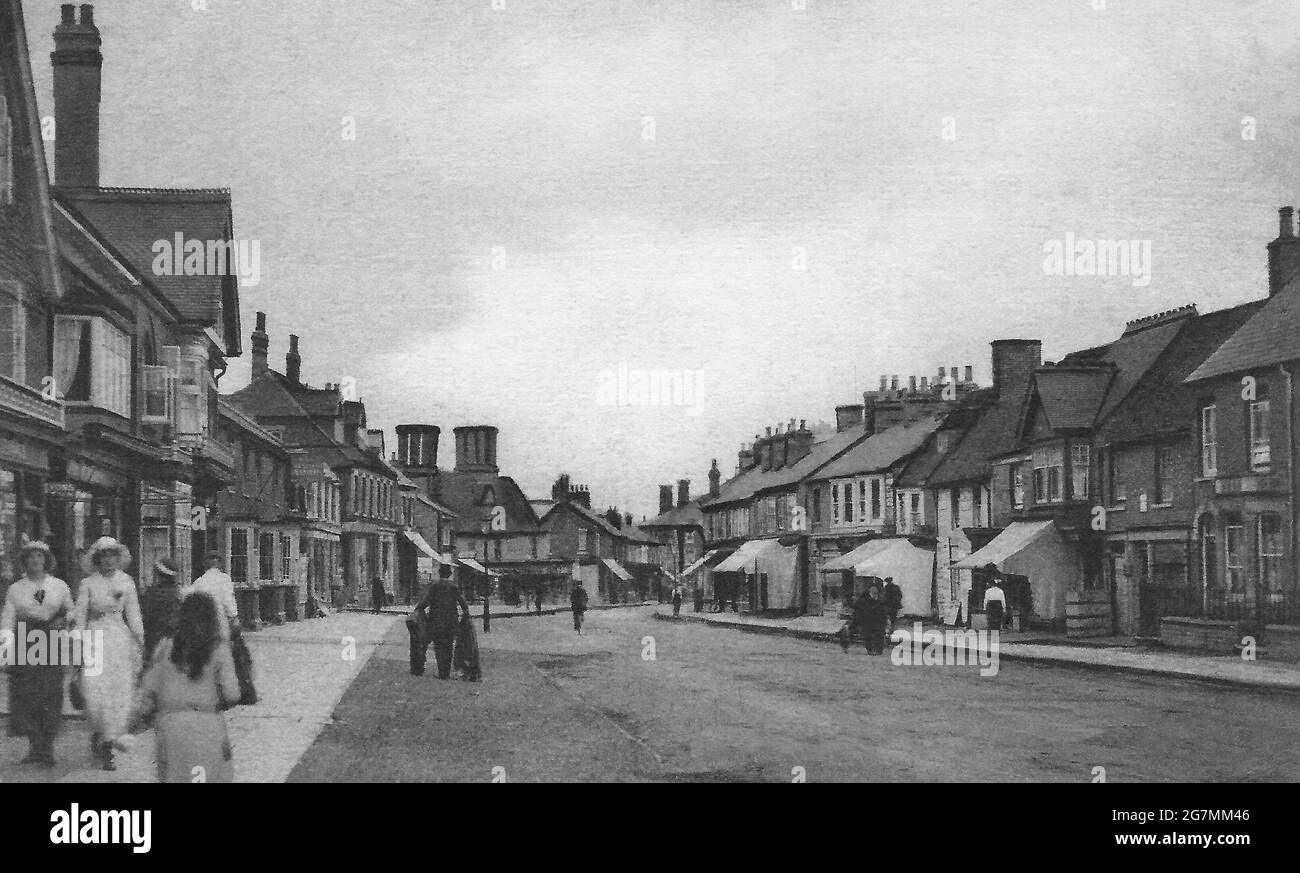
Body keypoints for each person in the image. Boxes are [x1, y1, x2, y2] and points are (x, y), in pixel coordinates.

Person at [132, 592, 240, 783]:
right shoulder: (219, 649)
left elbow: (148, 688)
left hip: (171, 725)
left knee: (175, 777)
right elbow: (232, 694)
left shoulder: (166, 646)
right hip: (208, 724)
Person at [73, 537, 144, 771]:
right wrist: (77, 644)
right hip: (94, 638)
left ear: (118, 558)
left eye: (112, 556)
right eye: (104, 556)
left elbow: (133, 613)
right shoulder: (87, 584)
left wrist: (139, 640)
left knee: (117, 692)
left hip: (119, 640)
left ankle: (108, 745)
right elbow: (80, 616)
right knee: (94, 692)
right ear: (97, 559)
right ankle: (99, 730)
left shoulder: (127, 582)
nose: (109, 561)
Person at [2, 541, 75, 766]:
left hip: (51, 640)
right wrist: (4, 650)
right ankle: (35, 745)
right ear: (24, 561)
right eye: (31, 557)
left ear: (46, 560)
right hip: (26, 641)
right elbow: (8, 619)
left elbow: (72, 611)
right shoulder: (16, 588)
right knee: (26, 695)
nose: (35, 561)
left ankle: (47, 745)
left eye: (39, 557)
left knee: (51, 692)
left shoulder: (59, 586)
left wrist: (63, 621)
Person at [408, 565, 470, 679]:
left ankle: (441, 671)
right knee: (448, 646)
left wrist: (418, 609)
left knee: (438, 647)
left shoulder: (435, 586)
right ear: (449, 574)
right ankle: (445, 672)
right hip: (451, 622)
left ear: (440, 573)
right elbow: (462, 602)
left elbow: (426, 601)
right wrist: (466, 614)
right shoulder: (453, 587)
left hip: (436, 622)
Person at [186, 551, 239, 638]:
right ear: (220, 564)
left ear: (204, 565)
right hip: (221, 623)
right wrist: (234, 617)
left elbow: (190, 601)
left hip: (203, 624)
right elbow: (228, 601)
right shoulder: (225, 579)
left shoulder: (198, 581)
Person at [140, 557, 183, 664]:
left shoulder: (151, 593)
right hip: (172, 639)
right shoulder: (179, 593)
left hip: (154, 638)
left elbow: (144, 616)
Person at [853, 584, 889, 655]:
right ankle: (870, 650)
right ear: (870, 591)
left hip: (879, 621)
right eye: (873, 591)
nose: (875, 592)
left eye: (876, 591)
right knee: (868, 636)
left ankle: (878, 650)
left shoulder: (880, 599)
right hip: (867, 620)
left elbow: (884, 609)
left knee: (879, 635)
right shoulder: (864, 599)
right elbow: (858, 607)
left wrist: (886, 619)